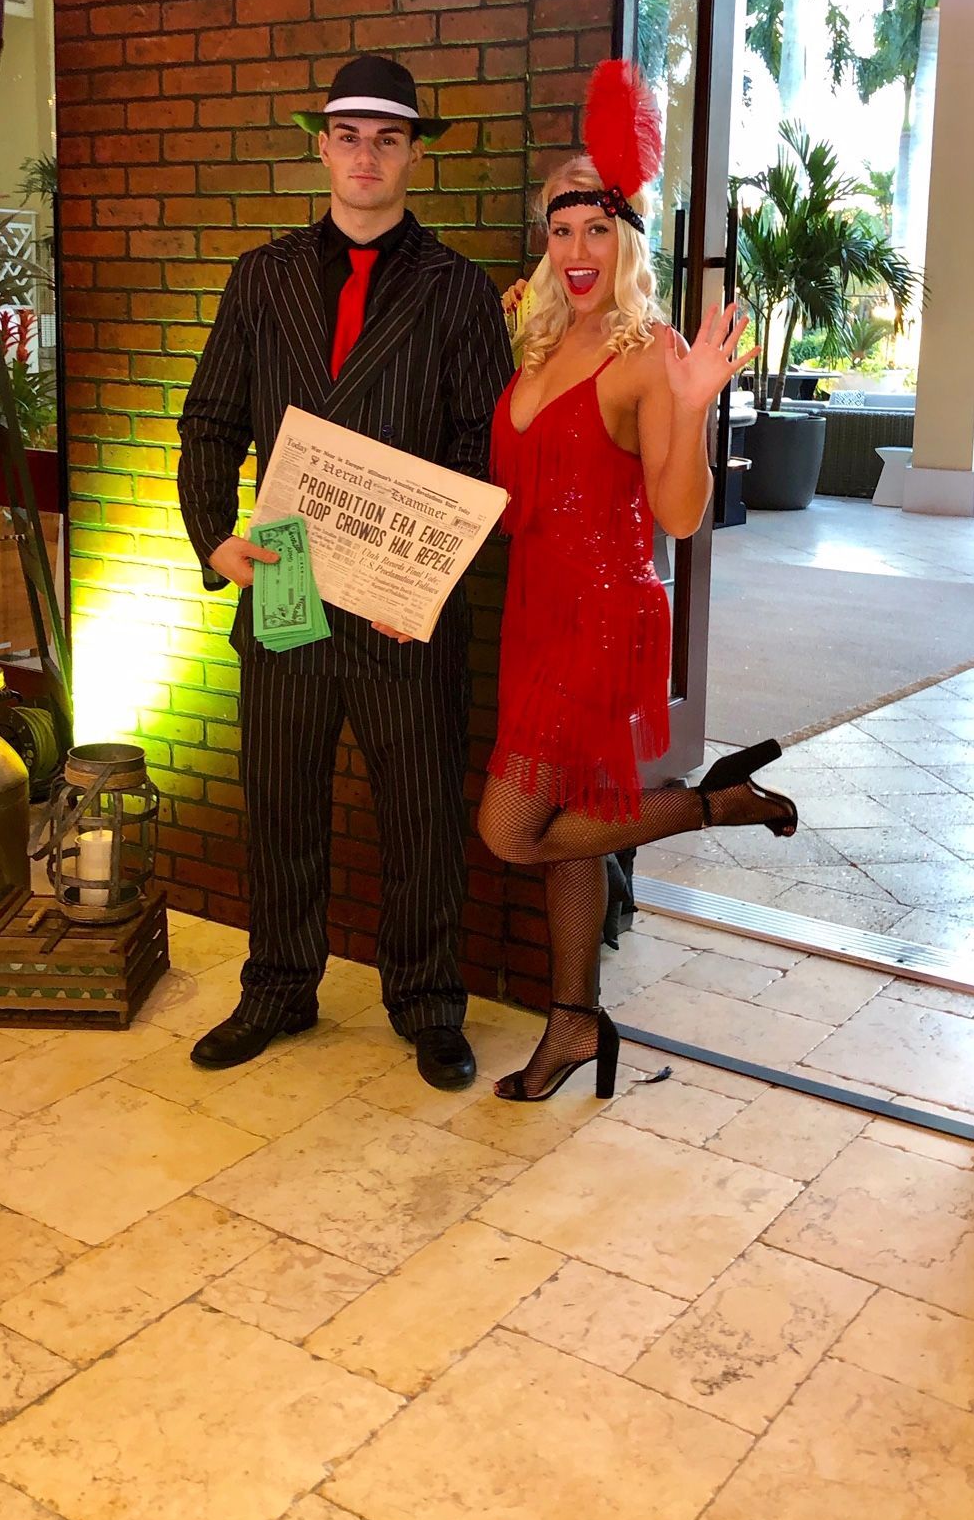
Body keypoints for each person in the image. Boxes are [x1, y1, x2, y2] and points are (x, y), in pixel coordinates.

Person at [177, 54, 514, 1089]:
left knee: (419, 812)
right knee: (280, 800)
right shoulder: (261, 275)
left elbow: (481, 448)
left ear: (415, 155)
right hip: (280, 571)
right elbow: (209, 423)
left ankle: (426, 1003)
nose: (367, 156)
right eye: (349, 135)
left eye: (389, 137)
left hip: (401, 594)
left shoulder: (456, 290)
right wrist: (215, 538)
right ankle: (278, 986)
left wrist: (433, 576)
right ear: (321, 145)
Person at [480, 60, 800, 1102]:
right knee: (567, 834)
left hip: (599, 618)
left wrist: (696, 398)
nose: (577, 251)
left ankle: (704, 806)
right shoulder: (538, 337)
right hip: (534, 607)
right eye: (561, 229)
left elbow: (677, 513)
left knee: (510, 828)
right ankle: (574, 1023)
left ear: (627, 240)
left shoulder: (647, 351)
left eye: (597, 229)